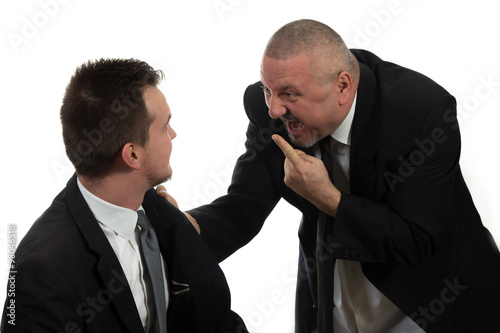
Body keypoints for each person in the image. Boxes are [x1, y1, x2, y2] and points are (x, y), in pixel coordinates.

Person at [173, 19, 500, 332]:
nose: (274, 109)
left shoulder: (420, 111)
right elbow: (245, 203)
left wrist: (329, 199)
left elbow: (415, 240)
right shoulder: (271, 110)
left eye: (289, 94)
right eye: (267, 90)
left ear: (343, 86)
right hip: (334, 305)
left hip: (429, 303)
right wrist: (187, 229)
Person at [1, 58, 247, 332]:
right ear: (132, 154)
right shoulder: (42, 271)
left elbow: (213, 315)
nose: (174, 134)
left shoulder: (160, 212)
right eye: (165, 127)